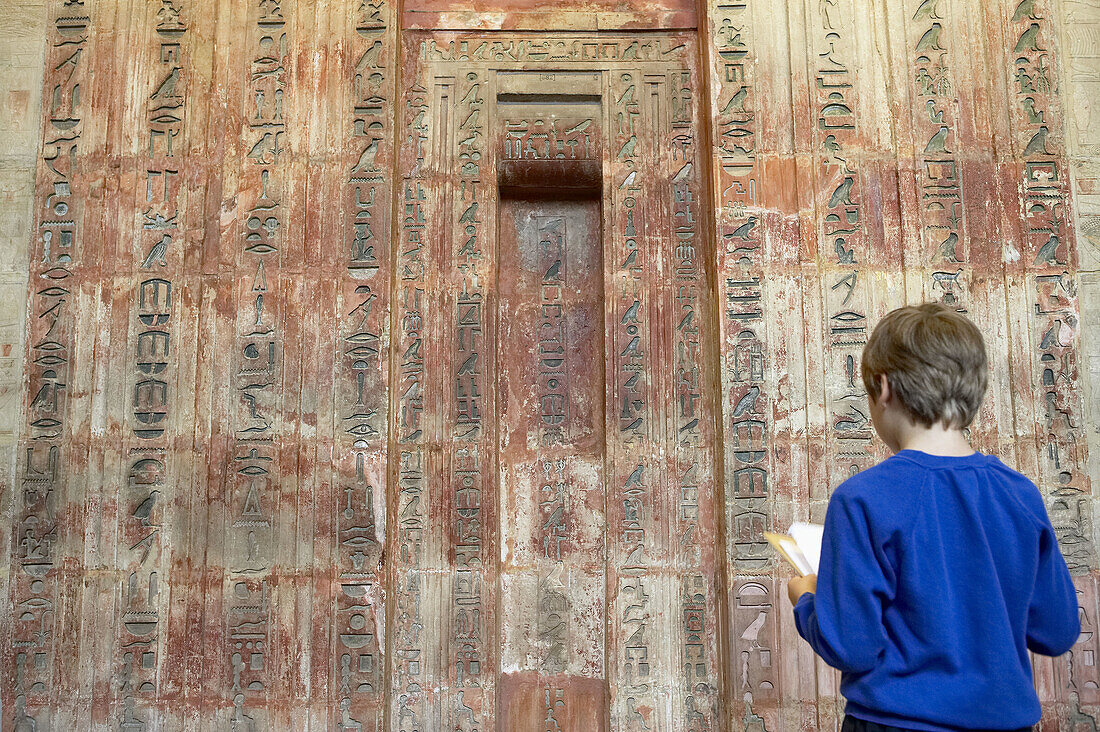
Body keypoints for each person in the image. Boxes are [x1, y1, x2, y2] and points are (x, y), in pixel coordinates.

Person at [787, 303, 1079, 731]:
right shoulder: (1020, 494)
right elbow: (1056, 631)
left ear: (883, 388)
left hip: (896, 722)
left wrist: (807, 601)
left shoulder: (862, 498)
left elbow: (852, 645)